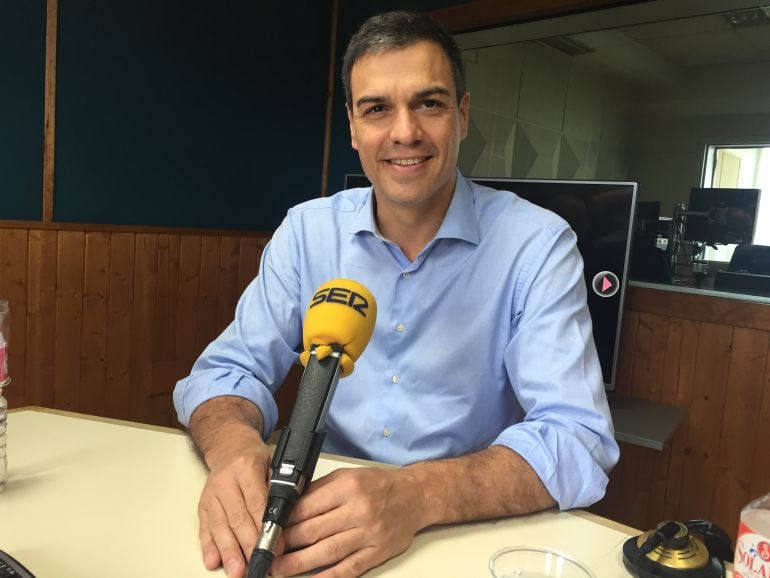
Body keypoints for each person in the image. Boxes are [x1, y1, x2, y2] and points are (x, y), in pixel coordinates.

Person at [173, 10, 619, 578]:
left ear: (461, 116)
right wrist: (233, 445)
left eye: (428, 104)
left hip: (459, 536)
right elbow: (223, 374)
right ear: (354, 128)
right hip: (317, 523)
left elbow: (577, 439)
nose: (404, 131)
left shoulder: (537, 245)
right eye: (377, 108)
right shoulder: (308, 232)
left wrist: (419, 494)